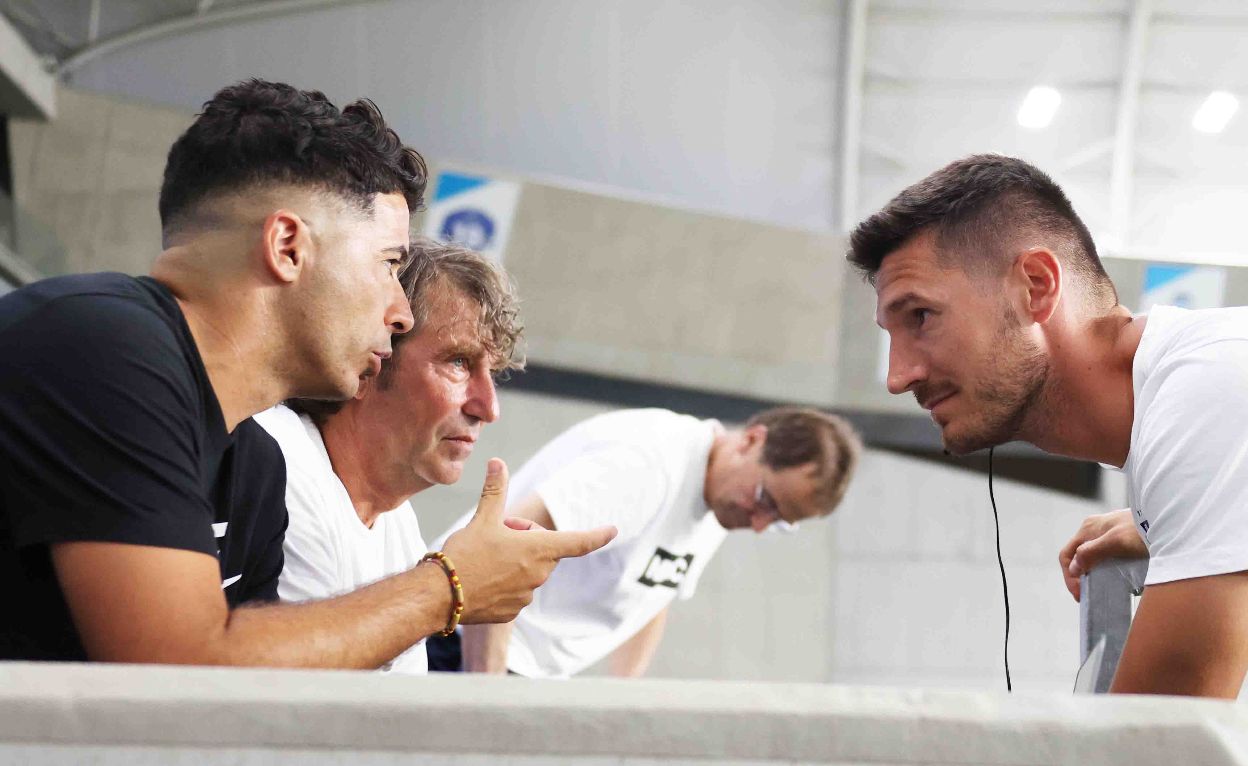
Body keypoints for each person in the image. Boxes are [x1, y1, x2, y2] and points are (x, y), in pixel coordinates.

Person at [0, 78, 613, 667]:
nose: (400, 312)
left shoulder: (254, 466)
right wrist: (449, 586)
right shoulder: (101, 346)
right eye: (388, 264)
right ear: (287, 247)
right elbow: (177, 667)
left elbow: (244, 706)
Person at [846, 153, 1248, 698]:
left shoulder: (1218, 380)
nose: (897, 376)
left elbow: (1158, 736)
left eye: (921, 317)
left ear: (1035, 286)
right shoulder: (1197, 410)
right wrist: (1170, 529)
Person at [254, 239, 522, 673]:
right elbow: (299, 692)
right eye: (458, 362)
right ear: (370, 359)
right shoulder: (276, 461)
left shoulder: (397, 522)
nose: (488, 408)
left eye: (491, 373)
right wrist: (452, 586)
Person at [451, 406, 861, 678]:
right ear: (752, 441)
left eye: (778, 522)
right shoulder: (650, 466)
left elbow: (652, 595)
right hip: (461, 644)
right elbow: (502, 544)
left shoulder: (722, 500)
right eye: (765, 501)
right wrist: (485, 693)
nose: (758, 524)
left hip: (520, 674)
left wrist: (628, 700)